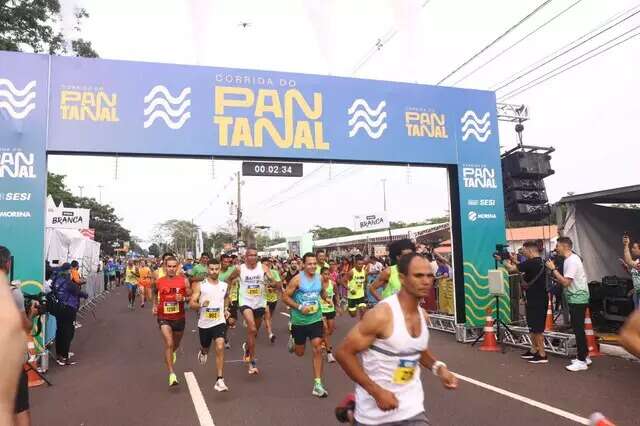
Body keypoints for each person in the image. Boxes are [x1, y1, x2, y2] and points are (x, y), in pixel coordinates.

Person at [335, 253, 457, 426]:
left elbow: (417, 349)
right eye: (418, 276)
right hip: (375, 414)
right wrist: (376, 392)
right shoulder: (381, 315)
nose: (426, 281)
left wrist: (439, 368)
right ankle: (351, 412)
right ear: (402, 278)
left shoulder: (423, 315)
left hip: (412, 409)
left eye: (429, 275)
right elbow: (343, 353)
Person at [1, 246, 40, 426]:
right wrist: (32, 313)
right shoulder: (13, 292)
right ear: (8, 263)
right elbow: (26, 326)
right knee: (20, 409)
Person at [282, 252, 329, 398]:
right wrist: (300, 307)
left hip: (315, 319)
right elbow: (285, 297)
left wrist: (327, 298)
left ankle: (318, 384)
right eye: (309, 263)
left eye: (315, 263)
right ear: (303, 265)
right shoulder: (297, 280)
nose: (313, 266)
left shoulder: (320, 277)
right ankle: (294, 340)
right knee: (300, 353)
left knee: (317, 348)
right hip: (299, 321)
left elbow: (321, 292)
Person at [225, 248, 274, 375]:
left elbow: (272, 280)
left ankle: (247, 348)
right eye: (250, 255)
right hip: (245, 301)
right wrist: (228, 295)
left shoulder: (262, 267)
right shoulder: (239, 268)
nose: (253, 257)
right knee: (251, 328)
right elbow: (229, 280)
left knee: (255, 332)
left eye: (255, 255)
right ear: (245, 257)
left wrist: (269, 280)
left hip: (260, 302)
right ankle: (252, 361)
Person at [546, 237, 591, 372]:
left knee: (578, 329)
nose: (556, 248)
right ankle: (584, 356)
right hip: (576, 297)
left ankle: (582, 361)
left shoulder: (571, 260)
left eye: (557, 246)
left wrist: (554, 270)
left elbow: (566, 282)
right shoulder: (570, 260)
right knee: (578, 328)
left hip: (578, 298)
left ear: (565, 246)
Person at [502, 240, 549, 363]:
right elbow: (521, 267)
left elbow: (512, 269)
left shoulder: (531, 263)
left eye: (523, 251)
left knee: (537, 328)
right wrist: (513, 259)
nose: (523, 254)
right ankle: (534, 350)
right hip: (536, 298)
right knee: (532, 326)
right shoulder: (539, 262)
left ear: (530, 250)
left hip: (536, 299)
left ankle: (542, 354)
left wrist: (503, 261)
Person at [189, 259, 230, 392]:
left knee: (220, 345)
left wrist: (226, 309)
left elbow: (226, 297)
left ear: (219, 269)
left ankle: (220, 379)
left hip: (219, 321)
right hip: (204, 323)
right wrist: (200, 305)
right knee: (206, 347)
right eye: (211, 269)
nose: (214, 271)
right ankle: (203, 351)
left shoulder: (224, 285)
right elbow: (192, 303)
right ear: (207, 269)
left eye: (216, 269)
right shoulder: (200, 285)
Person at [152, 256, 190, 386]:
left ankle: (172, 352)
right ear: (165, 267)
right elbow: (154, 291)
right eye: (169, 266)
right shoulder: (159, 281)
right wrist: (154, 305)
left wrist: (183, 298)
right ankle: (172, 374)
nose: (172, 269)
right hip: (164, 317)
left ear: (178, 267)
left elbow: (191, 296)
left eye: (174, 266)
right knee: (169, 342)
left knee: (175, 344)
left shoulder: (184, 281)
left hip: (179, 318)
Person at [52, 263, 88, 365]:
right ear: (68, 271)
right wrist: (85, 295)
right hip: (69, 308)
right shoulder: (68, 283)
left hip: (59, 308)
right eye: (70, 271)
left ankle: (59, 354)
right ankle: (64, 356)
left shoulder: (56, 281)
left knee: (60, 331)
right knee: (68, 332)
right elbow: (78, 292)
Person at [320, 267, 339, 363]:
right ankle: (329, 353)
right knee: (326, 330)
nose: (326, 276)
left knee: (330, 330)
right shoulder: (318, 285)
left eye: (328, 274)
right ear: (321, 275)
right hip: (321, 310)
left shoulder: (333, 284)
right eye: (324, 274)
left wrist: (338, 305)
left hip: (330, 310)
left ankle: (323, 341)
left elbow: (336, 294)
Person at [218, 254, 237, 349]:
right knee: (224, 320)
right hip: (219, 299)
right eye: (224, 262)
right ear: (220, 262)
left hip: (232, 298)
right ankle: (224, 339)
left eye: (228, 262)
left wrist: (234, 280)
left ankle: (222, 336)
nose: (226, 264)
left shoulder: (233, 270)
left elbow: (239, 278)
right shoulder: (216, 272)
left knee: (232, 321)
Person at [263, 257, 282, 344]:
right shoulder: (258, 274)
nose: (266, 266)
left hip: (273, 298)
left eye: (268, 264)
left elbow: (279, 285)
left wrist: (273, 287)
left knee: (269, 317)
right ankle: (270, 334)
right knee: (267, 315)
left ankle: (265, 327)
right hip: (262, 298)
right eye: (264, 265)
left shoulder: (274, 273)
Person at [622, 234, 640, 310]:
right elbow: (636, 275)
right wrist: (627, 270)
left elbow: (629, 261)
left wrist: (626, 245)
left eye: (634, 248)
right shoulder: (637, 261)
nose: (632, 249)